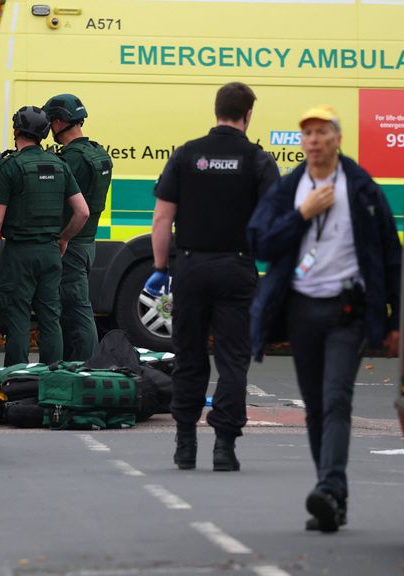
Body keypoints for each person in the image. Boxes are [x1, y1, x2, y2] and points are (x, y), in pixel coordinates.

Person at [247, 105, 401, 533]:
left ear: (337, 139)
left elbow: (391, 256)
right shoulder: (291, 189)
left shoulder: (363, 189)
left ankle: (330, 489)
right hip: (301, 312)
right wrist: (303, 215)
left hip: (347, 313)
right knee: (315, 406)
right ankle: (332, 495)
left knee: (336, 400)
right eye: (307, 133)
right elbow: (260, 241)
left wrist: (396, 321)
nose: (313, 140)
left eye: (321, 132)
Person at [146, 82, 280, 472]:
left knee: (189, 355)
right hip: (237, 268)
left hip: (190, 266)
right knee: (233, 358)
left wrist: (158, 268)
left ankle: (185, 443)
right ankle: (224, 447)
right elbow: (274, 220)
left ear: (216, 110)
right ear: (248, 114)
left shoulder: (186, 155)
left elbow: (161, 218)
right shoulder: (258, 160)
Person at [0, 106, 90, 366]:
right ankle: (53, 381)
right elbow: (82, 212)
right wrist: (64, 238)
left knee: (18, 319)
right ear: (44, 133)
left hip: (19, 254)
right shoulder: (60, 165)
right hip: (50, 253)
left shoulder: (10, 167)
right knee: (50, 318)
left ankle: (16, 384)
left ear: (16, 130)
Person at [43, 94, 113, 361]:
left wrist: (63, 238)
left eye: (51, 122)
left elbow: (68, 205)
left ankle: (85, 368)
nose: (49, 128)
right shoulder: (98, 153)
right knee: (73, 309)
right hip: (87, 241)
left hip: (70, 242)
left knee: (76, 309)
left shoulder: (72, 160)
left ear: (60, 121)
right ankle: (75, 364)